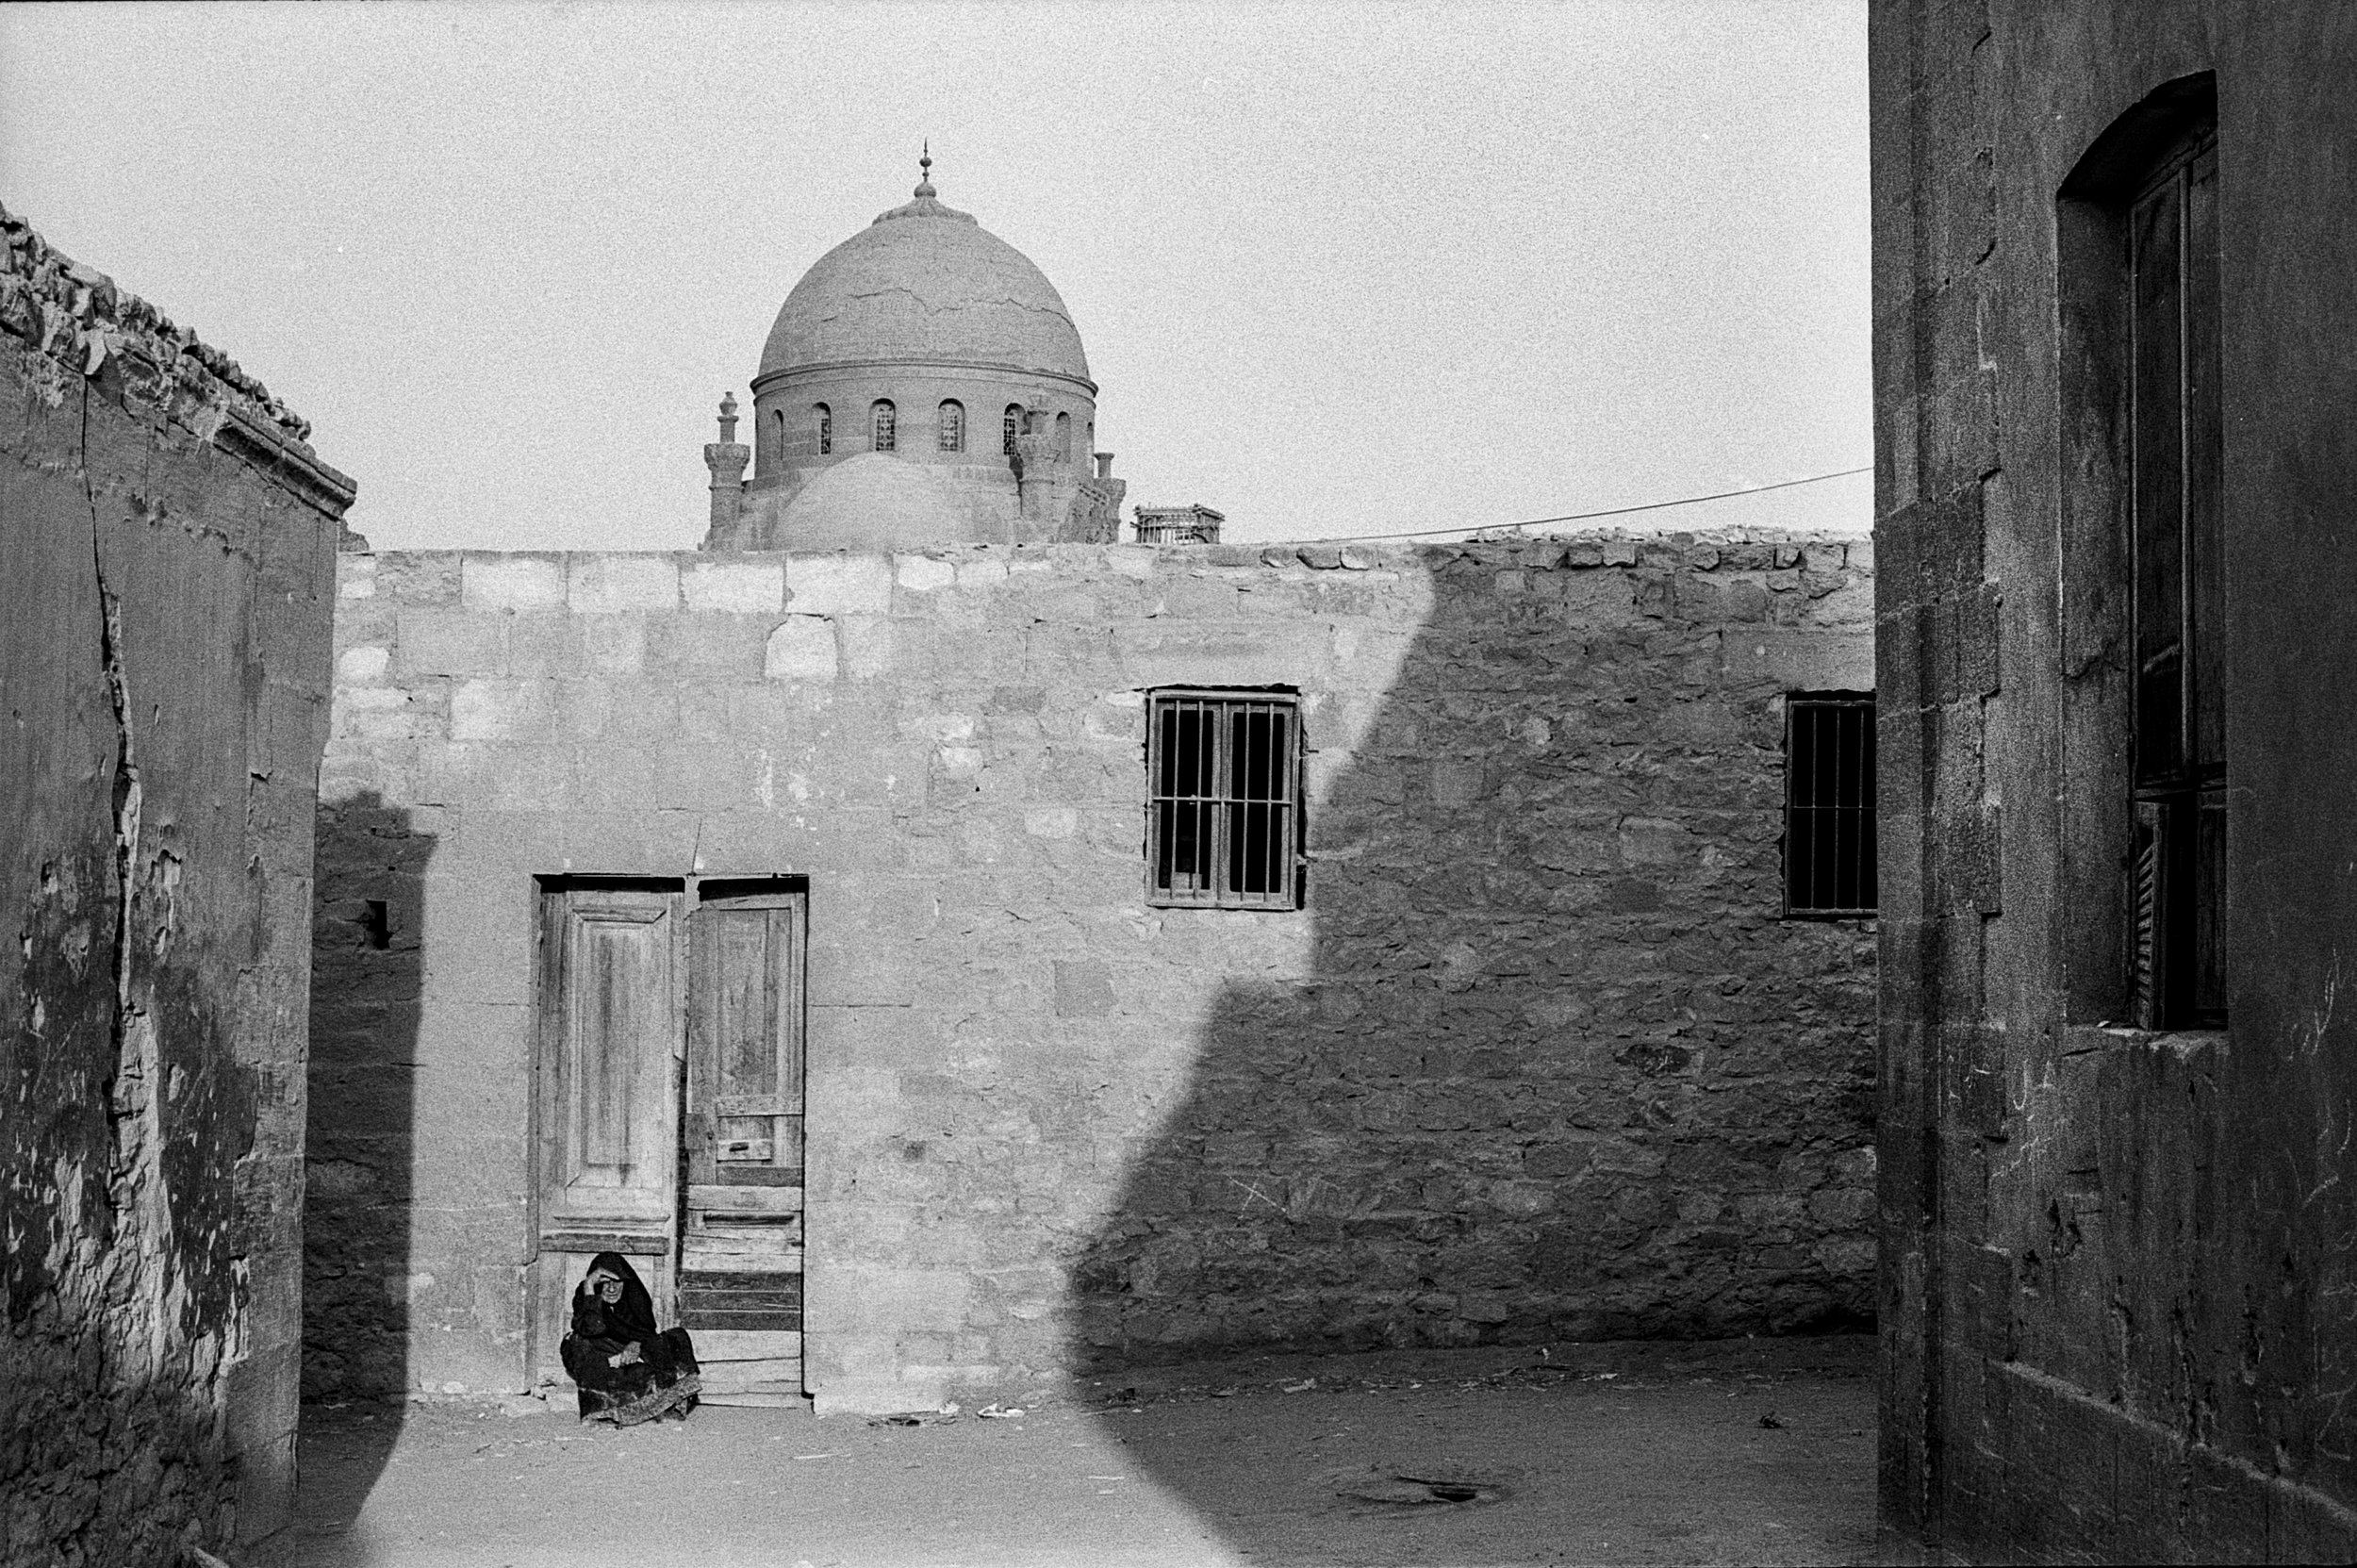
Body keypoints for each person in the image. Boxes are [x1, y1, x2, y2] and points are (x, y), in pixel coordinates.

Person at [560, 1252, 701, 1425]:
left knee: (676, 1337)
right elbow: (591, 1329)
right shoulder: (586, 1296)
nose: (612, 1289)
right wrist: (589, 1286)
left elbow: (647, 1332)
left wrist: (636, 1343)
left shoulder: (634, 1296)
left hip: (630, 1357)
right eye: (604, 1283)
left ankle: (667, 1404)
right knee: (580, 1345)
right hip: (601, 1357)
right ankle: (602, 1412)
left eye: (617, 1282)